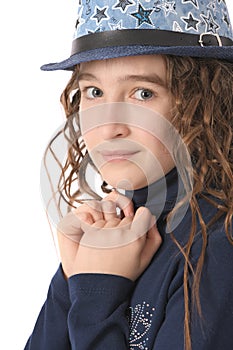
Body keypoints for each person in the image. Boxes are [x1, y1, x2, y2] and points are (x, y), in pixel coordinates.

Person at [25, 1, 233, 349]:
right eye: (94, 92)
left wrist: (97, 290)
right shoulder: (110, 234)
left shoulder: (219, 245)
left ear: (206, 100)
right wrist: (72, 277)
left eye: (143, 93)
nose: (109, 127)